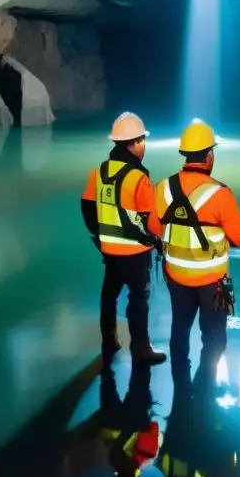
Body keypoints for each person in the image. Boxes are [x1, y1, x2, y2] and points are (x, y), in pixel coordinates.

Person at [154, 119, 240, 384]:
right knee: (214, 338)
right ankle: (205, 387)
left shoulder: (162, 188)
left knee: (180, 329)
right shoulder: (220, 194)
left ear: (185, 154)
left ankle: (180, 386)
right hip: (212, 282)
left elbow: (155, 227)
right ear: (209, 155)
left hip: (176, 277)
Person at [82, 112, 166, 365]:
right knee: (138, 298)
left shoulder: (99, 172)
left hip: (109, 249)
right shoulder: (138, 178)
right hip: (134, 252)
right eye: (143, 140)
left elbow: (87, 207)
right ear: (136, 142)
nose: (144, 146)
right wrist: (158, 241)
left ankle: (109, 341)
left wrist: (100, 236)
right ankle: (141, 348)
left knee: (109, 294)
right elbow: (149, 220)